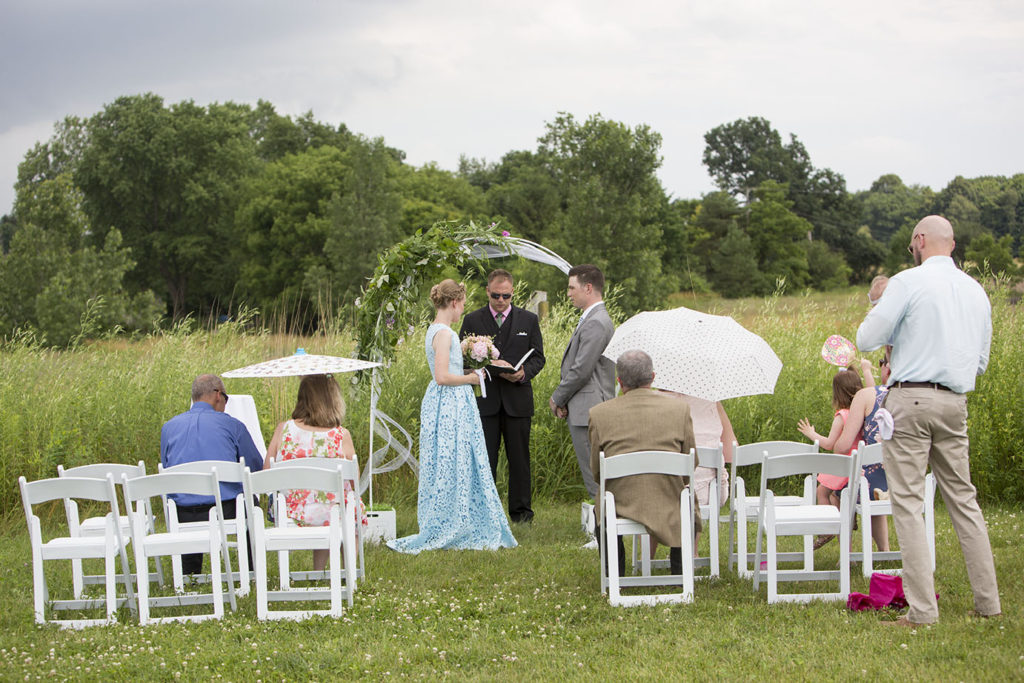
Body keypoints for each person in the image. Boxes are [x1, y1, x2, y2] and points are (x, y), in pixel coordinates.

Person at [858, 215, 1000, 626]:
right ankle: (988, 602)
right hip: (955, 401)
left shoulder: (908, 281)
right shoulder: (975, 291)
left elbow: (868, 336)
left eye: (911, 245)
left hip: (910, 398)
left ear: (920, 240)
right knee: (963, 500)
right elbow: (981, 361)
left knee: (906, 503)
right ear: (951, 244)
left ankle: (922, 611)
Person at [388, 279, 517, 553]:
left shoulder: (436, 330)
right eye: (462, 305)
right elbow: (442, 375)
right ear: (455, 303)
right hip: (449, 403)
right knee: (452, 459)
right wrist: (473, 378)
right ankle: (452, 522)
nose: (462, 311)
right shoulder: (444, 333)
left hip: (448, 401)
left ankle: (456, 516)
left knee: (452, 460)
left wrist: (487, 362)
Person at [588, 350, 698, 575]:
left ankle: (614, 573)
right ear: (653, 377)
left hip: (620, 501)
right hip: (668, 499)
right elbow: (691, 463)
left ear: (619, 381)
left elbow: (598, 472)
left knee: (601, 501)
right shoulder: (679, 410)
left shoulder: (599, 414)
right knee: (687, 500)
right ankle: (680, 573)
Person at [460, 269, 546, 523]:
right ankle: (485, 513)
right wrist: (477, 370)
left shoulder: (528, 320)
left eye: (506, 296)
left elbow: (539, 357)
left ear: (512, 293)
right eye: (496, 295)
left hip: (517, 399)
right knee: (485, 458)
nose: (500, 300)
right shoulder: (472, 320)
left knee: (519, 460)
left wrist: (522, 374)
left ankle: (521, 514)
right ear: (487, 291)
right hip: (486, 401)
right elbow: (461, 358)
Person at [160, 374, 263, 575]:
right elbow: (255, 466)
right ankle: (251, 572)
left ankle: (190, 575)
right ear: (218, 395)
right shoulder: (232, 426)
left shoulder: (169, 428)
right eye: (226, 398)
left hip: (182, 513)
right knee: (252, 505)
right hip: (227, 510)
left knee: (186, 496)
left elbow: (167, 467)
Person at [264, 374, 367, 572]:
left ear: (302, 398)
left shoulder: (283, 430)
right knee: (350, 505)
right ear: (332, 399)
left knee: (326, 503)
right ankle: (349, 573)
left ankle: (317, 572)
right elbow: (354, 482)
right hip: (332, 513)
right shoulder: (340, 436)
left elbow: (266, 474)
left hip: (292, 514)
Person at [550, 264, 615, 500]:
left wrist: (558, 397)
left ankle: (604, 533)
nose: (568, 293)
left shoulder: (596, 321)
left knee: (594, 475)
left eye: (571, 288)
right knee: (594, 472)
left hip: (590, 409)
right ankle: (603, 531)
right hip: (584, 406)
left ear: (588, 288)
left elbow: (581, 370)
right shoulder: (591, 318)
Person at [796, 367, 863, 549]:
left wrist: (811, 433)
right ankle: (847, 551)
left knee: (821, 492)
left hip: (844, 465)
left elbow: (829, 444)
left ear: (837, 393)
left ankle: (827, 528)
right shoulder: (862, 413)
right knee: (837, 499)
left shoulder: (841, 417)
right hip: (859, 466)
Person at [663, 393, 735, 551]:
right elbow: (731, 453)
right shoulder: (711, 403)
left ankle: (646, 559)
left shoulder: (655, 401)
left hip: (662, 494)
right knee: (700, 478)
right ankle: (692, 551)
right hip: (706, 496)